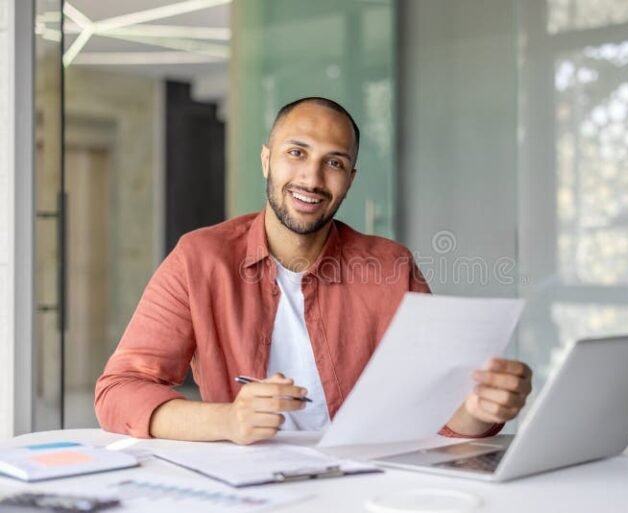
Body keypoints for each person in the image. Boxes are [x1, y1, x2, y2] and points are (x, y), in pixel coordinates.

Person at [95, 97, 533, 444]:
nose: (312, 178)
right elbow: (118, 392)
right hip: (246, 486)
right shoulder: (199, 259)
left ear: (351, 178)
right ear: (267, 160)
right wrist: (228, 420)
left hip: (366, 485)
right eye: (297, 152)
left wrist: (481, 409)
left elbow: (439, 414)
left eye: (335, 162)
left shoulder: (391, 267)